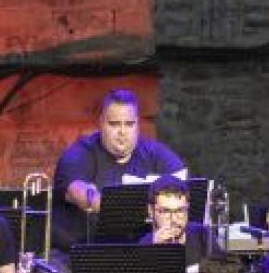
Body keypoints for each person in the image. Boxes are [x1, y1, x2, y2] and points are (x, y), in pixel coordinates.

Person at [50, 88, 188, 252]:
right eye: (114, 124)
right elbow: (77, 192)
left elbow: (183, 189)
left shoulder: (156, 153)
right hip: (78, 252)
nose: (122, 132)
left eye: (129, 124)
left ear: (137, 124)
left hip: (141, 252)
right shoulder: (79, 153)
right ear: (101, 123)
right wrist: (123, 208)